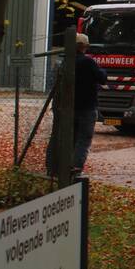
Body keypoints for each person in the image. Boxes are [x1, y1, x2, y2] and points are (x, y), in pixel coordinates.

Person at [47, 33, 107, 177]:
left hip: (69, 107)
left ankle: (57, 166)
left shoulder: (64, 63)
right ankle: (76, 167)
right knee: (84, 139)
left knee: (69, 137)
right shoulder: (88, 62)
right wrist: (103, 70)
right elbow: (102, 78)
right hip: (87, 107)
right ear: (83, 47)